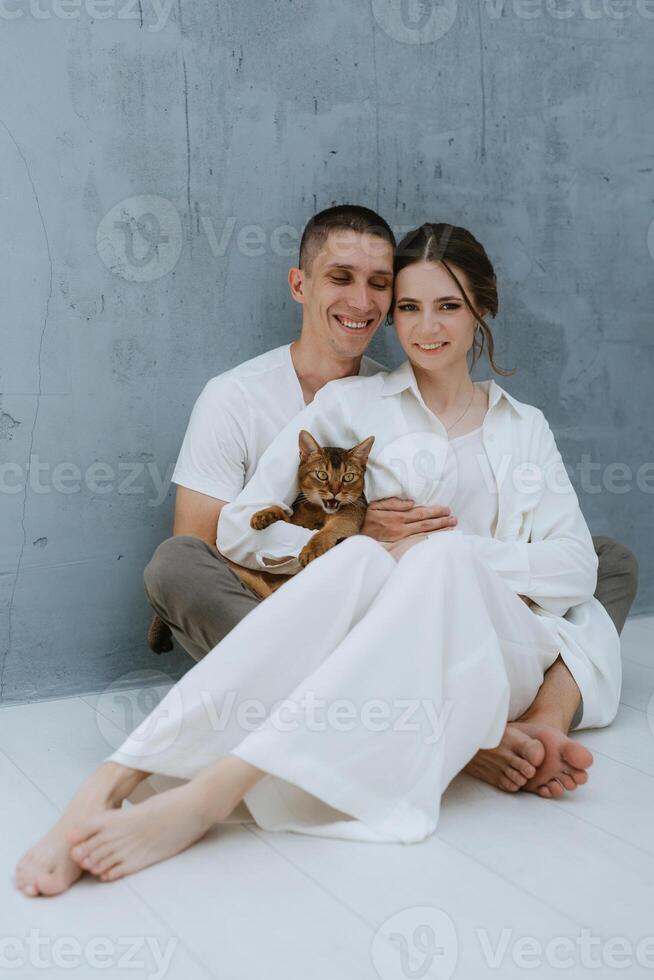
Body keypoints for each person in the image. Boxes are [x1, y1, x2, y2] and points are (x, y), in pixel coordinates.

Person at [14, 221, 629, 896]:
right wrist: (362, 533)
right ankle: (114, 777)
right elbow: (241, 527)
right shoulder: (354, 403)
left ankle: (217, 790)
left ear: (481, 308)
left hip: (498, 643)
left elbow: (574, 567)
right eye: (410, 308)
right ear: (392, 318)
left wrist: (438, 549)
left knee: (436, 564)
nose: (428, 327)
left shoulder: (523, 425)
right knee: (360, 563)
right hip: (388, 637)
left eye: (448, 305)